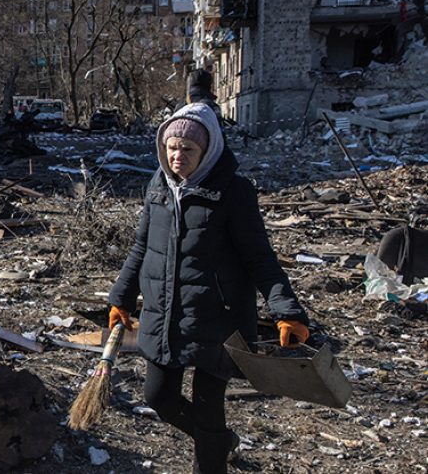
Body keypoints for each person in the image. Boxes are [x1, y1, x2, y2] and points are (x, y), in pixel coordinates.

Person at [106, 102, 311, 474]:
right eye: (172, 147)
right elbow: (142, 247)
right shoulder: (158, 186)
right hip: (165, 315)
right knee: (159, 397)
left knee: (208, 410)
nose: (178, 156)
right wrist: (121, 297)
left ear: (208, 150)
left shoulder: (233, 192)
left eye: (188, 148)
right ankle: (220, 441)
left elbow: (259, 258)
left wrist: (287, 311)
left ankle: (212, 454)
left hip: (218, 319)